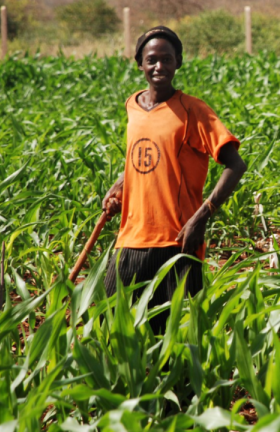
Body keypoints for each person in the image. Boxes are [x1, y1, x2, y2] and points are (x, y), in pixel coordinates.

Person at [101, 26, 246, 335]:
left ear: (178, 62)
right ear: (139, 63)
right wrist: (122, 183)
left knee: (176, 340)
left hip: (178, 240)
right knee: (113, 332)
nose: (159, 67)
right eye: (152, 60)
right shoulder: (133, 105)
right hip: (131, 238)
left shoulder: (193, 110)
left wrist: (202, 217)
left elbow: (235, 164)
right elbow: (145, 157)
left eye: (167, 59)